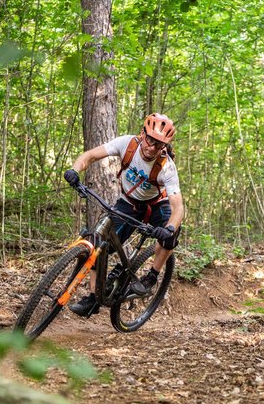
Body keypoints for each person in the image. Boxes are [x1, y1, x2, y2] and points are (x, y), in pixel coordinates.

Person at [62, 113, 185, 317]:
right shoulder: (127, 144)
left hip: (157, 205)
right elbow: (90, 156)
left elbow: (178, 207)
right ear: (142, 134)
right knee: (97, 244)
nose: (152, 147)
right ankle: (93, 298)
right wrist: (74, 170)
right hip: (129, 203)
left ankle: (151, 277)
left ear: (164, 146)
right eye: (150, 140)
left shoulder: (167, 167)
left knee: (171, 236)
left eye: (159, 145)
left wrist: (170, 228)